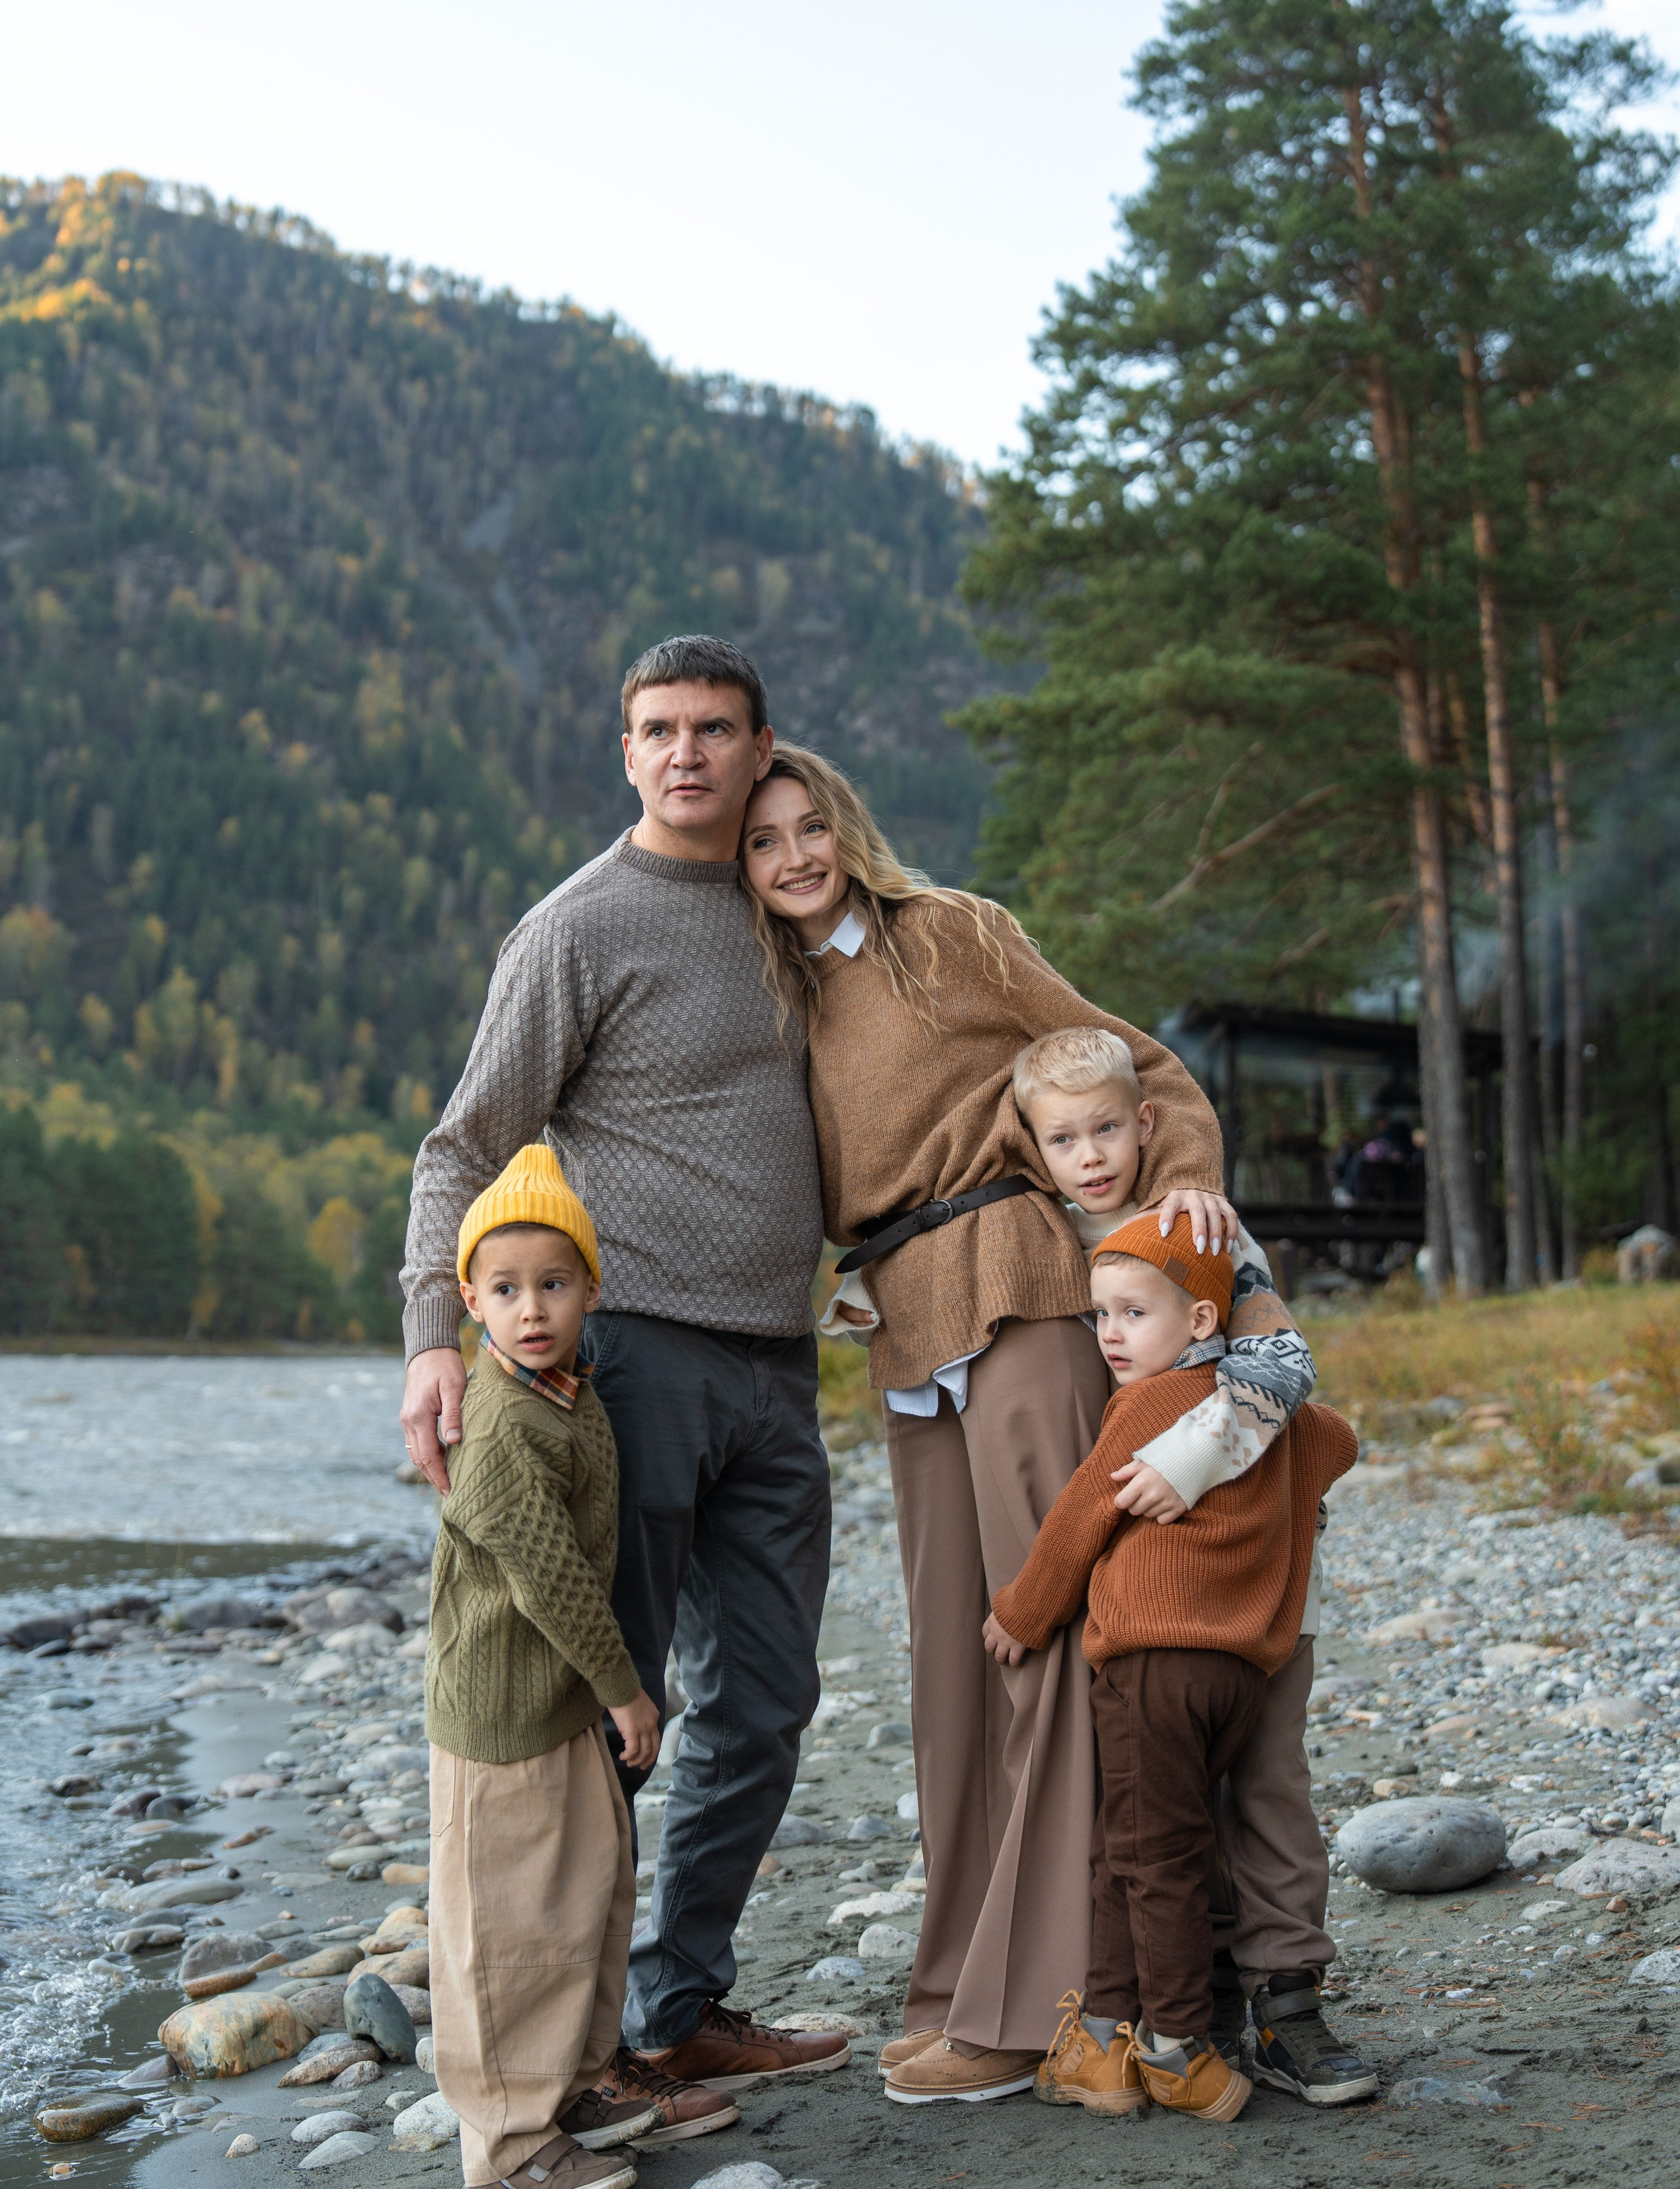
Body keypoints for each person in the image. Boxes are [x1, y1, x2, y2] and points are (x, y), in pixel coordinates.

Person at [740, 744, 1251, 2108]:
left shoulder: (947, 934)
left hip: (1017, 1287)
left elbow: (1133, 1061)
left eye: (809, 826)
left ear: (844, 826)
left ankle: (1055, 2006)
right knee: (955, 1670)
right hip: (902, 1321)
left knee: (1053, 1639)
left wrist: (1185, 1188)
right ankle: (959, 1985)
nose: (792, 855)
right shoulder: (769, 992)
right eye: (760, 840)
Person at [401, 635, 850, 2087]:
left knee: (768, 1699)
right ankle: (572, 2051)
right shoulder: (578, 928)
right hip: (640, 1360)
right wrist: (431, 1336)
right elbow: (467, 1145)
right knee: (618, 1707)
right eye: (656, 730)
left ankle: (679, 2009)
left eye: (714, 729)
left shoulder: (785, 898)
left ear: (758, 744)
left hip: (780, 1362)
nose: (686, 755)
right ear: (625, 753)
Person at [1009, 1025, 1379, 2104]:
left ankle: (1289, 2004)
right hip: (1152, 1604)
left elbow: (1289, 1368)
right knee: (1161, 1811)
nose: (1090, 1154)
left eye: (1107, 1129)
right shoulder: (1031, 1236)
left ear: (1147, 1124)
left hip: (1255, 1581)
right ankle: (1179, 2009)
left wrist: (1190, 1456)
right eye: (1064, 1136)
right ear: (1035, 1146)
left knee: (1269, 1790)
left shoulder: (1201, 1227)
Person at [427, 1145, 742, 2189]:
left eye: (553, 1285)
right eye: (506, 1289)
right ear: (470, 1299)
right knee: (510, 1922)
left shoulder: (564, 1390)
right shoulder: (504, 1421)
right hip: (505, 1713)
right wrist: (626, 1690)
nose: (531, 1309)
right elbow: (548, 1578)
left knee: (587, 1892)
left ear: (591, 1291)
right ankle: (510, 2145)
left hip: (557, 1702)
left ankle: (577, 2086)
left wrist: (600, 1692)